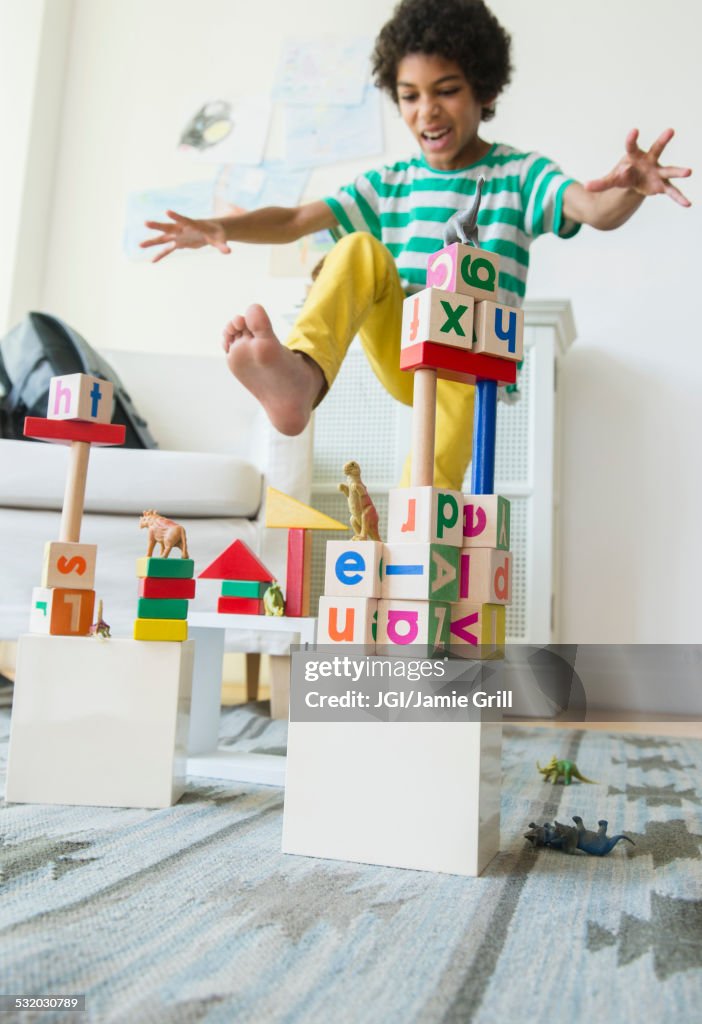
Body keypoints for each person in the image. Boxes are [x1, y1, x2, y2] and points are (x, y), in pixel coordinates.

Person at [141, 0, 691, 490]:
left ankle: (411, 549)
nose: (426, 110)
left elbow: (592, 208)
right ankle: (301, 377)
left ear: (486, 90)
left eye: (446, 91)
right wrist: (222, 227)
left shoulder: (520, 174)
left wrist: (633, 191)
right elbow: (292, 219)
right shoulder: (391, 183)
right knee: (357, 247)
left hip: (470, 365)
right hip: (402, 346)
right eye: (410, 96)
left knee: (426, 492)